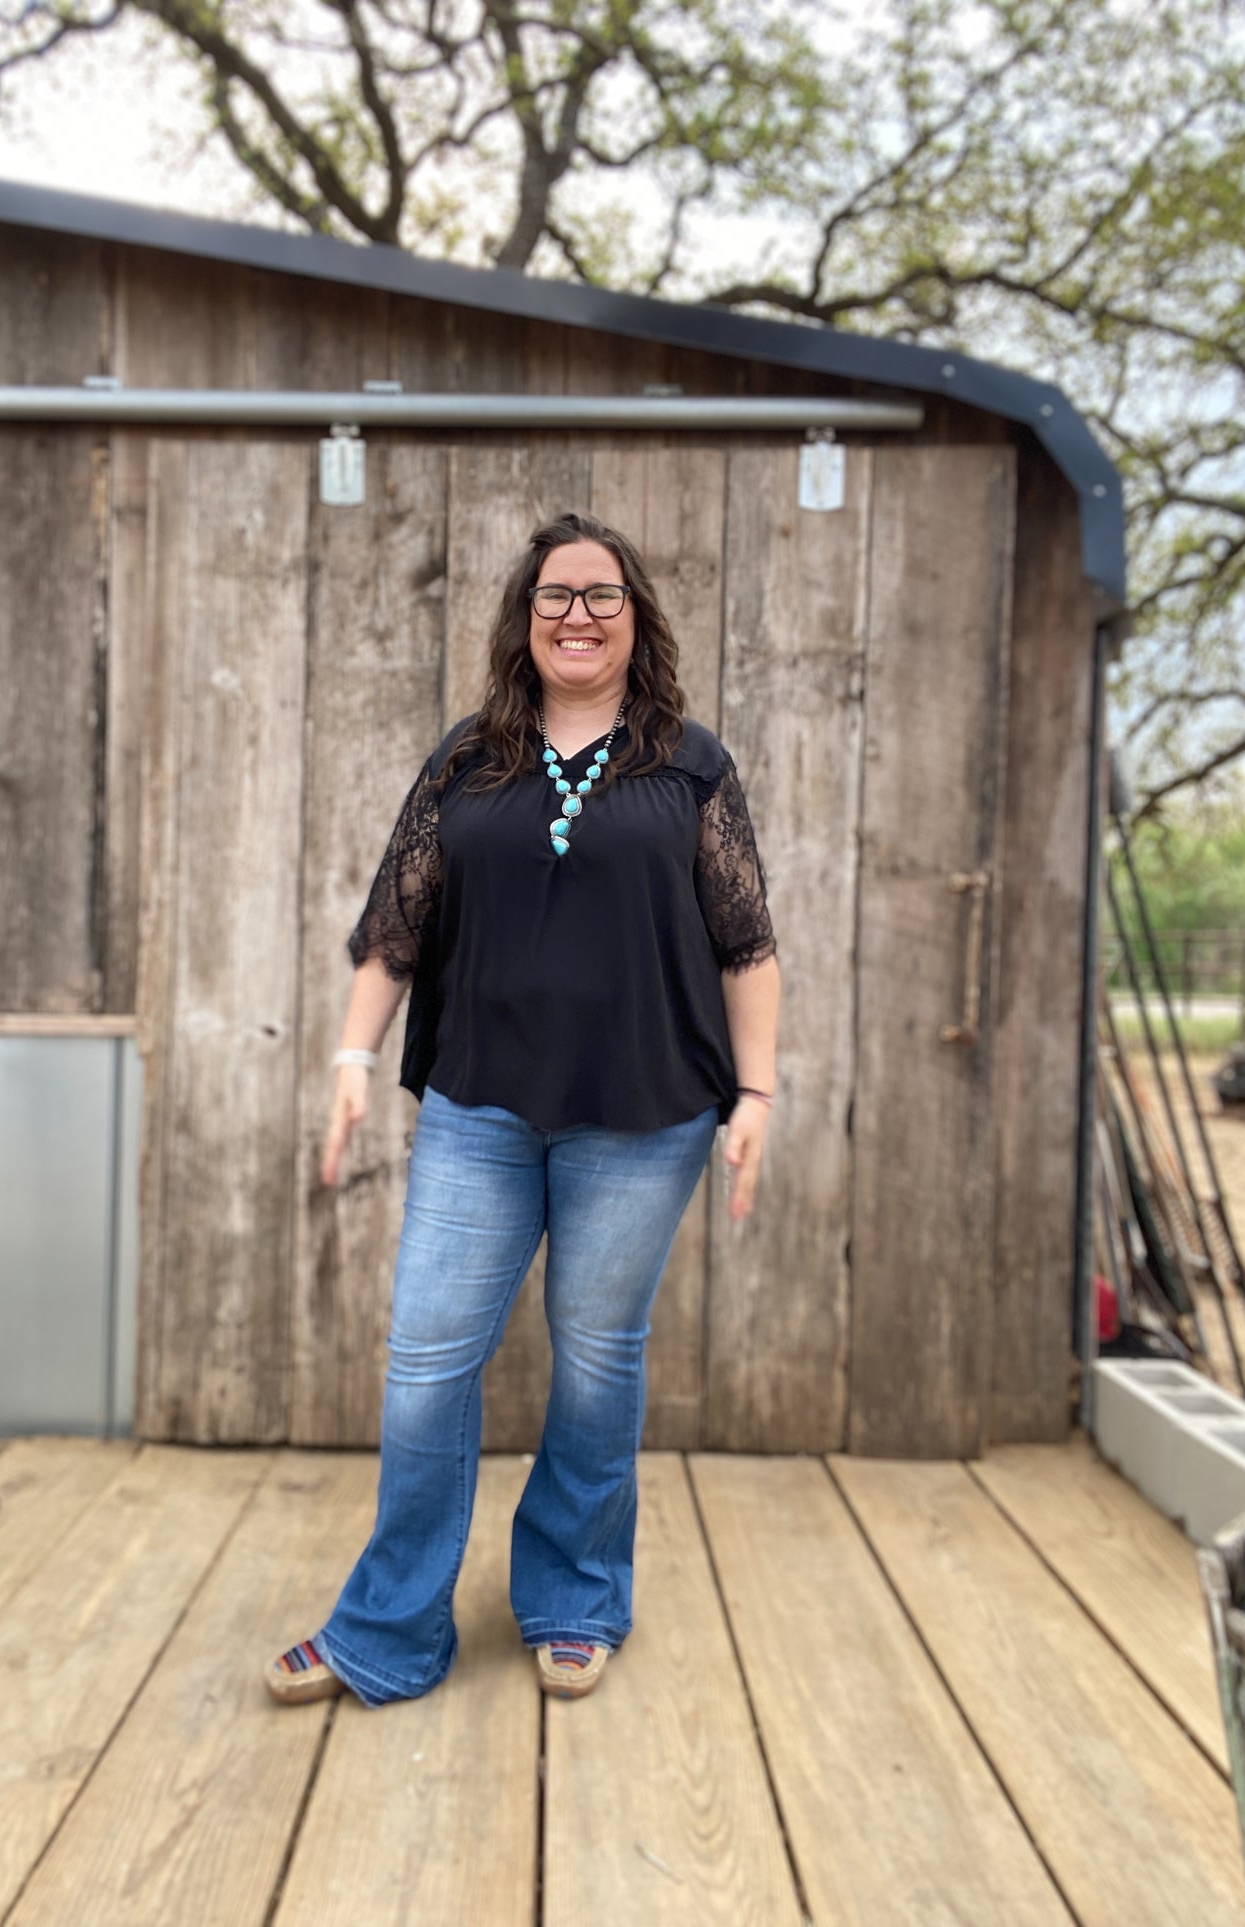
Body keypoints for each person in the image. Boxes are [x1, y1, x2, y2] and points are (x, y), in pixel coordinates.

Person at [265, 509, 779, 1708]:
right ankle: (387, 1629)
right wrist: (350, 1058)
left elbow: (745, 944)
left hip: (642, 1118)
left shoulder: (689, 765)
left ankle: (573, 1596)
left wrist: (756, 1089)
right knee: (427, 1362)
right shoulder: (465, 761)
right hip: (479, 1108)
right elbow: (392, 932)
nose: (578, 615)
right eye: (555, 596)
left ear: (634, 617)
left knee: (597, 1364)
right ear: (525, 617)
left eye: (602, 595)